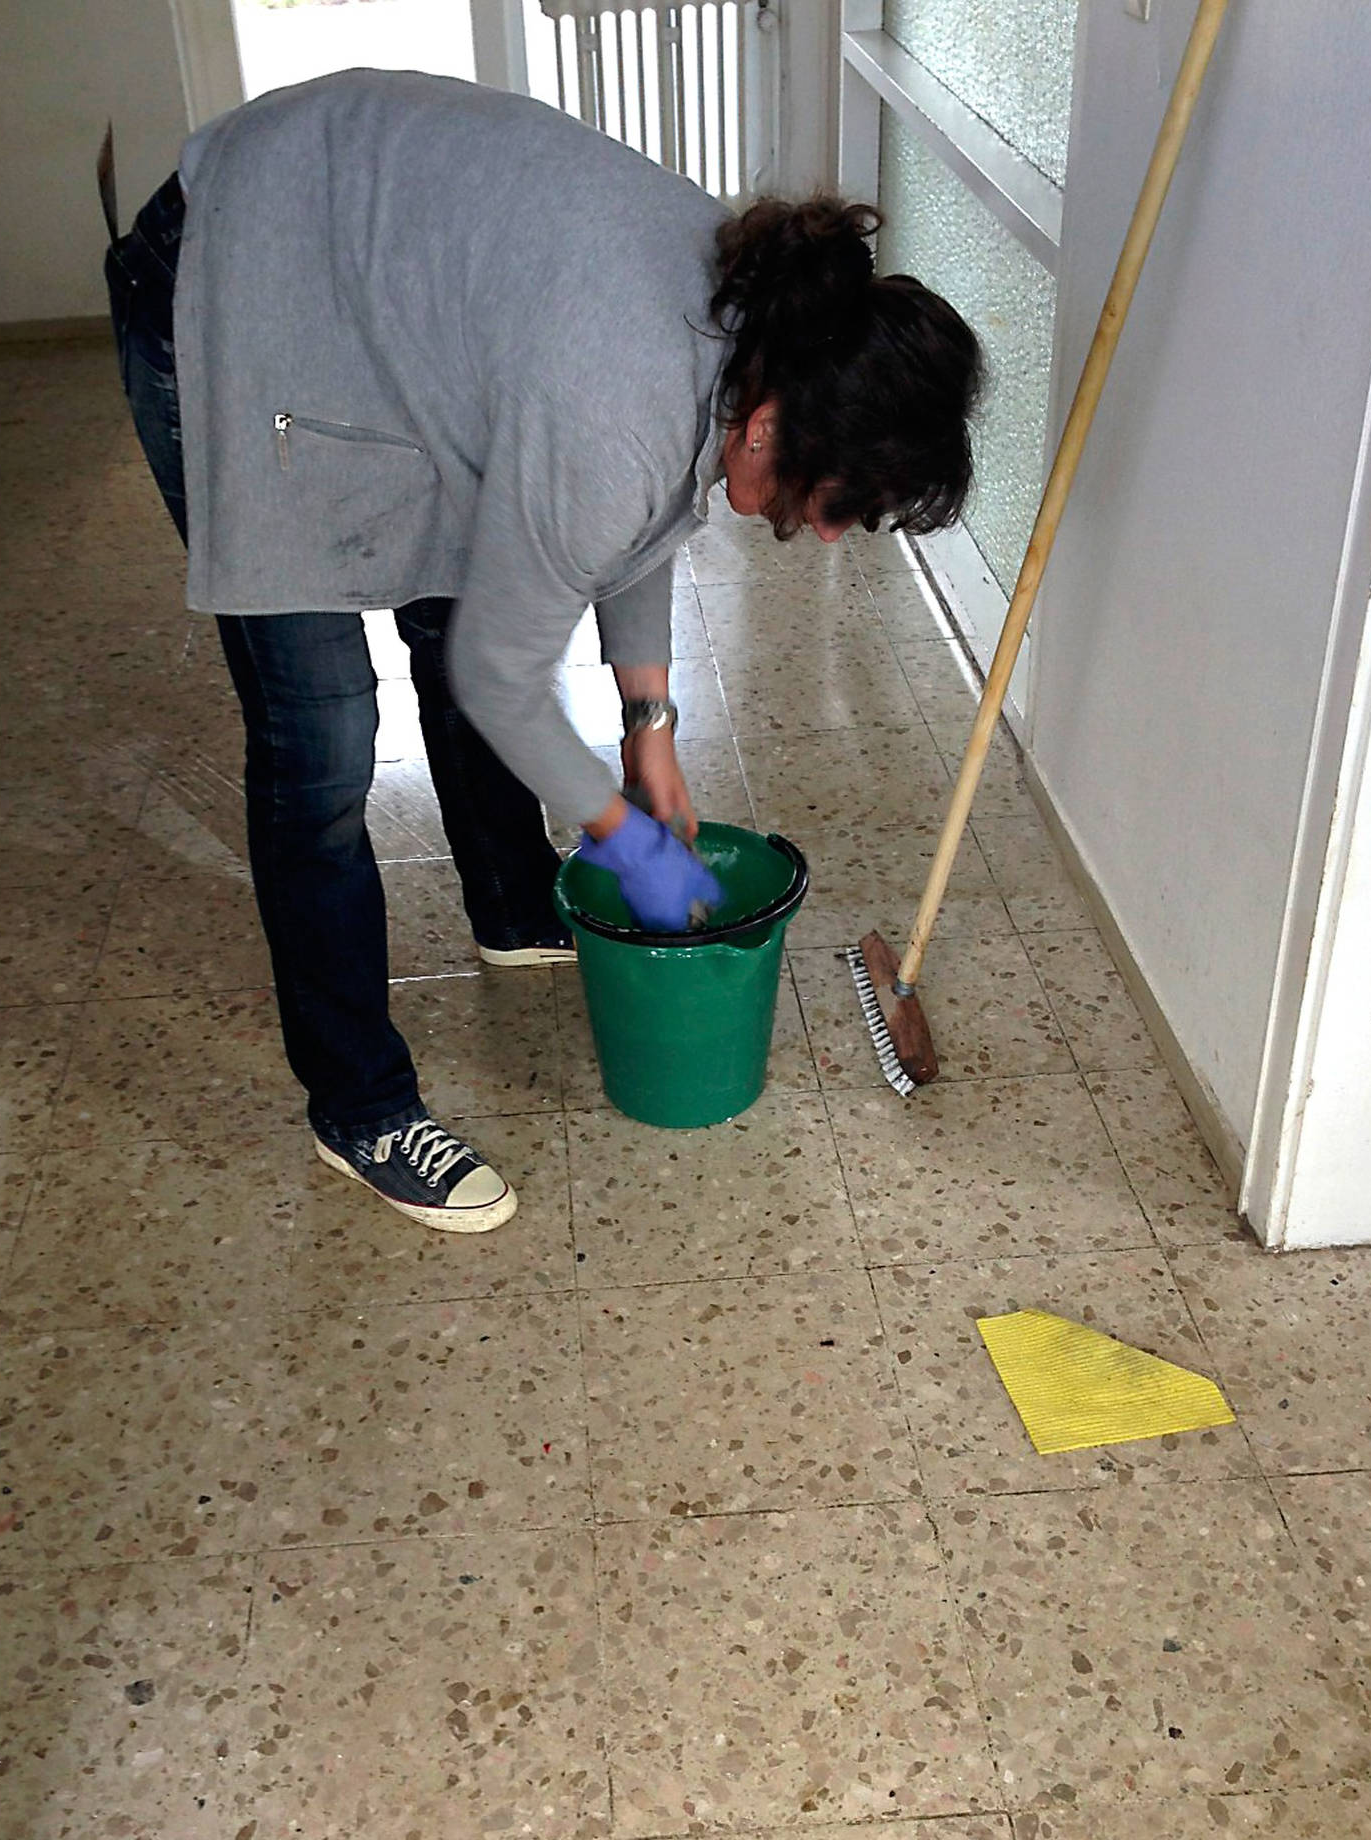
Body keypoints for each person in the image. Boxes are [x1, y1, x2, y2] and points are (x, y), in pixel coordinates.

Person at [104, 68, 980, 1236]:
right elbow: (501, 667)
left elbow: (642, 510)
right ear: (773, 425)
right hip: (236, 278)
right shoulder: (614, 401)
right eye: (834, 500)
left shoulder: (749, 325)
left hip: (377, 277)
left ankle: (514, 904)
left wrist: (649, 728)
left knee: (466, 583)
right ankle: (357, 1105)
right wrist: (630, 846)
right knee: (321, 741)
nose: (820, 532)